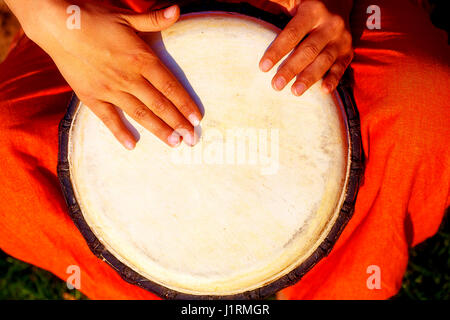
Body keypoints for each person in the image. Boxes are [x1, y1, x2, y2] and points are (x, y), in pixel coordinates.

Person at [0, 0, 448, 299]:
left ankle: (336, 283)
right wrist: (56, 25)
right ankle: (161, 283)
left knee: (424, 108)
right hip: (106, 13)